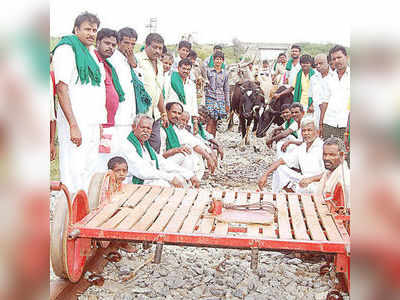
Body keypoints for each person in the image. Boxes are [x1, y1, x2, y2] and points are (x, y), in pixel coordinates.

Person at [52, 11, 105, 193]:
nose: (92, 33)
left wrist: (99, 122)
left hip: (91, 121)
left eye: (94, 30)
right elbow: (61, 87)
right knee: (73, 168)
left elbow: (96, 91)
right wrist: (73, 125)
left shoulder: (90, 53)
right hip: (75, 120)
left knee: (89, 167)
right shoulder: (66, 49)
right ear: (76, 29)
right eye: (87, 29)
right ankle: (68, 214)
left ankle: (84, 213)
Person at [115, 114, 199, 187]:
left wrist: (189, 174)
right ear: (134, 127)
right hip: (132, 183)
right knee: (163, 184)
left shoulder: (146, 146)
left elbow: (162, 163)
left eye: (148, 128)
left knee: (179, 176)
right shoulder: (127, 146)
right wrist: (170, 177)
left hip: (148, 179)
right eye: (142, 127)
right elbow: (143, 171)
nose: (145, 131)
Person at [258, 117, 325, 193]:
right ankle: (275, 195)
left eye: (309, 130)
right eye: (304, 131)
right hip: (304, 180)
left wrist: (311, 179)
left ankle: (298, 197)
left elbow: (329, 173)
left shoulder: (323, 147)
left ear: (317, 132)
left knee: (306, 188)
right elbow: (281, 161)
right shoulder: (303, 147)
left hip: (318, 184)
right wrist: (265, 175)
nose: (306, 133)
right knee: (280, 168)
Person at [159, 102, 216, 180]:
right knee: (185, 154)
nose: (176, 116)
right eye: (174, 112)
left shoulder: (176, 128)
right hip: (163, 163)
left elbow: (194, 141)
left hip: (174, 160)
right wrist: (176, 150)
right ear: (166, 112)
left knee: (189, 152)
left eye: (179, 113)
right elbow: (159, 156)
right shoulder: (161, 129)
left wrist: (209, 153)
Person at [136, 33, 169, 152]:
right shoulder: (137, 60)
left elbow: (158, 90)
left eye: (160, 48)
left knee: (155, 146)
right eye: (154, 47)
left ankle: (153, 169)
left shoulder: (160, 65)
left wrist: (164, 113)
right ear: (146, 46)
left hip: (155, 115)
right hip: (141, 113)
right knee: (139, 147)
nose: (157, 51)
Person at [319, 45, 350, 148]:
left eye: (339, 57)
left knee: (346, 154)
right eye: (334, 59)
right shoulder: (328, 79)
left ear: (347, 57)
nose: (336, 61)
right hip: (329, 123)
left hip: (347, 124)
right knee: (329, 154)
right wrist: (321, 124)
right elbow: (324, 102)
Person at [163, 58, 199, 134]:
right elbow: (164, 99)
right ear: (178, 68)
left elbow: (194, 104)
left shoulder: (191, 84)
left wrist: (195, 122)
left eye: (188, 69)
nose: (186, 71)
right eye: (184, 68)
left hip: (187, 121)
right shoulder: (169, 80)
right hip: (173, 119)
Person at [317, 137, 350, 208]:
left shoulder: (344, 179)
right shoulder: (329, 172)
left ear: (342, 156)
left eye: (332, 155)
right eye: (325, 154)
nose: (326, 158)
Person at [204, 51, 230, 137]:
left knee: (215, 121)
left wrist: (227, 104)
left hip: (220, 99)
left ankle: (213, 141)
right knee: (210, 120)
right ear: (213, 60)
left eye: (220, 59)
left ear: (222, 61)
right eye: (216, 59)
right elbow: (205, 84)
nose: (218, 61)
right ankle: (207, 141)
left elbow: (226, 89)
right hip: (210, 98)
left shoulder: (225, 74)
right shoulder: (208, 71)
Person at [311, 53, 335, 131]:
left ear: (328, 62)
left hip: (331, 114)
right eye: (316, 64)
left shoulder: (334, 77)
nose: (318, 66)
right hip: (317, 113)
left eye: (320, 63)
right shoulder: (313, 78)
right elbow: (312, 96)